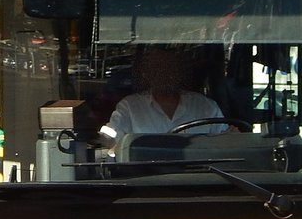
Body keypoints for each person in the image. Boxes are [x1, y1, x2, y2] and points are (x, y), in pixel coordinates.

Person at [97, 47, 227, 154]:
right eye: (157, 69)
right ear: (146, 74)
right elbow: (111, 139)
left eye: (170, 68)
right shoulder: (129, 107)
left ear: (179, 73)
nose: (164, 74)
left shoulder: (206, 107)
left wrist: (232, 135)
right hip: (146, 176)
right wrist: (104, 138)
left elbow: (225, 144)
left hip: (201, 175)